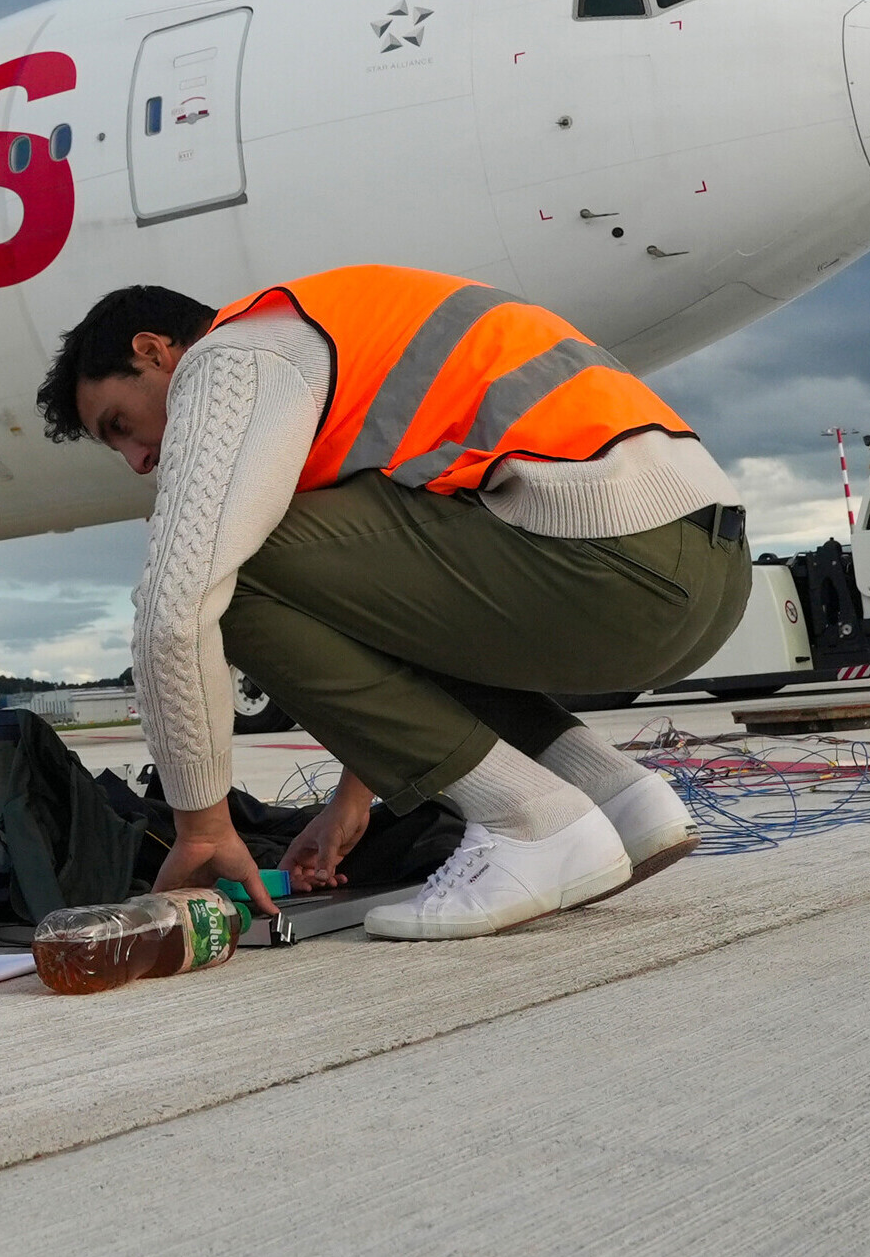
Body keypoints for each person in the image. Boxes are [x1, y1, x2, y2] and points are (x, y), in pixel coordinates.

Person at [38, 266, 752, 941]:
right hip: (699, 572)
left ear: (155, 351)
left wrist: (200, 828)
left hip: (611, 562)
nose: (138, 459)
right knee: (276, 556)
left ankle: (531, 820)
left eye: (119, 424)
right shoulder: (331, 340)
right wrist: (352, 798)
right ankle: (612, 794)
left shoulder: (236, 355)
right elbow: (390, 607)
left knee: (231, 567)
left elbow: (174, 607)